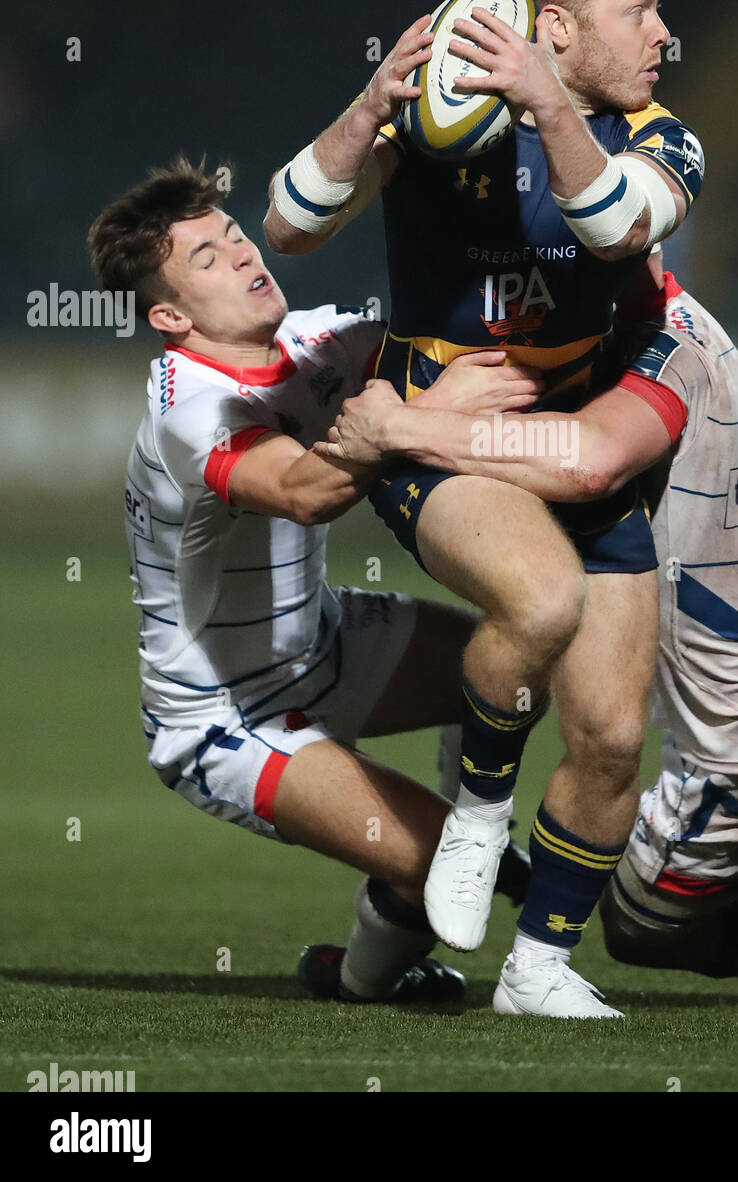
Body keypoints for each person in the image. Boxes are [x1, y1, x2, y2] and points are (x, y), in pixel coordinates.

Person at [317, 253, 738, 1003]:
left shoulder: (659, 358)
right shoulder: (675, 318)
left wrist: (404, 427)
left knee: (635, 925)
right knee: (525, 644)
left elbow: (591, 463)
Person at [265, 0, 704, 1017]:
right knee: (540, 600)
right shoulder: (431, 116)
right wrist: (370, 108)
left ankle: (539, 967)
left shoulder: (663, 139)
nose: (665, 32)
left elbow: (613, 228)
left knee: (609, 733)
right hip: (433, 433)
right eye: (638, 10)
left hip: (573, 445)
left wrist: (550, 104)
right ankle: (475, 818)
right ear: (554, 24)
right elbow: (289, 224)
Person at [88, 158, 536, 1009]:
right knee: (447, 865)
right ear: (170, 314)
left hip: (324, 643)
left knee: (517, 661)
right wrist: (413, 415)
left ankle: (405, 919)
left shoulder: (310, 340)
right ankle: (419, 922)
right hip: (222, 717)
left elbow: (426, 342)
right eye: (207, 258)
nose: (244, 254)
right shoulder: (189, 410)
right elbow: (307, 493)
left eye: (234, 235)